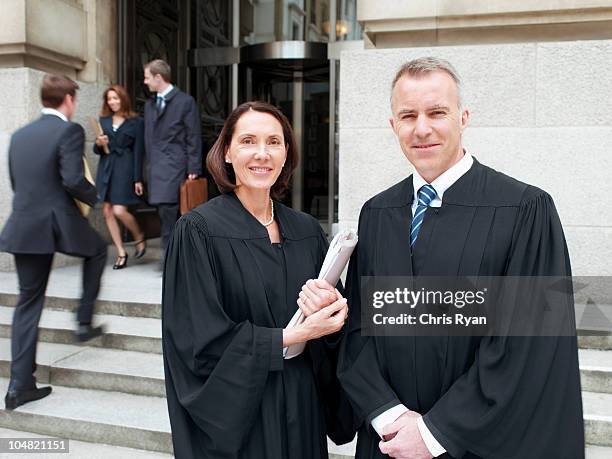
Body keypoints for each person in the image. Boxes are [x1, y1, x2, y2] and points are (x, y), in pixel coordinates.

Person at [337, 57, 584, 458]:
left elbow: (528, 346)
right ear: (392, 125)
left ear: (463, 117)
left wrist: (435, 433)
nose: (422, 128)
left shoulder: (524, 209)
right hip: (390, 443)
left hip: (475, 444)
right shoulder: (377, 213)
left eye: (437, 112)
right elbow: (360, 329)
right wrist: (388, 415)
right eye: (408, 115)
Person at [162, 101, 354, 458]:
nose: (262, 154)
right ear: (228, 153)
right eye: (248, 141)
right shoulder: (198, 230)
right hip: (242, 412)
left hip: (302, 402)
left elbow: (335, 323)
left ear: (286, 155)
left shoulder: (306, 230)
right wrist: (293, 335)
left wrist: (335, 312)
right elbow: (195, 340)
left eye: (274, 143)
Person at [0, 74, 106, 410]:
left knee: (28, 301)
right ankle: (84, 320)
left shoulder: (19, 135)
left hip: (23, 226)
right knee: (99, 249)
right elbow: (73, 179)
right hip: (57, 222)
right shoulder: (69, 130)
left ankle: (19, 385)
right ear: (69, 100)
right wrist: (96, 196)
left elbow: (18, 182)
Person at [143, 59, 202, 264]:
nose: (145, 81)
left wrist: (193, 167)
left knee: (169, 209)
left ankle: (170, 255)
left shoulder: (185, 102)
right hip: (156, 167)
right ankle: (173, 254)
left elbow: (193, 135)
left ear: (158, 78)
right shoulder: (150, 105)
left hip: (175, 165)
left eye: (147, 77)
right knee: (164, 209)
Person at [93, 84, 146, 270]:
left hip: (124, 168)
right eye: (109, 99)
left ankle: (138, 235)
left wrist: (137, 178)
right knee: (107, 211)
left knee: (119, 211)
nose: (113, 102)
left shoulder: (136, 121)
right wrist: (100, 143)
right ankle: (121, 252)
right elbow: (96, 149)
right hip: (106, 167)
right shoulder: (104, 120)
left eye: (115, 98)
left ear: (123, 98)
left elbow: (139, 151)